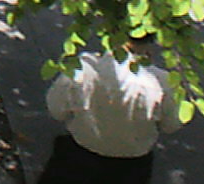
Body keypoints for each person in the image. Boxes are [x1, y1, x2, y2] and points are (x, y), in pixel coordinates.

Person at [39, 36, 183, 182]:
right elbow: (171, 125)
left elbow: (56, 110)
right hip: (131, 168)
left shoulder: (84, 68)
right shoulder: (163, 83)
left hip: (78, 158)